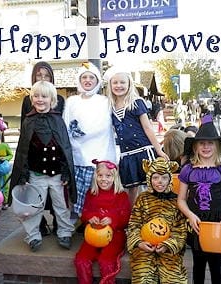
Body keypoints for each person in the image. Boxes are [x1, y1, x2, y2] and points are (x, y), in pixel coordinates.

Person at [9, 80, 76, 252]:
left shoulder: (58, 120)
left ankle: (65, 232)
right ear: (32, 99)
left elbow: (65, 148)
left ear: (52, 99)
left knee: (61, 205)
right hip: (36, 174)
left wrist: (66, 173)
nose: (40, 99)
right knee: (34, 207)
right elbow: (23, 151)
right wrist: (23, 175)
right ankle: (33, 236)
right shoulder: (28, 121)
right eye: (36, 96)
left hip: (57, 176)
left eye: (44, 96)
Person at [177, 114, 221, 284]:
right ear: (195, 146)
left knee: (215, 263)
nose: (206, 146)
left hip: (218, 221)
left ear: (217, 146)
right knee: (198, 263)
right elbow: (181, 199)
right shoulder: (188, 169)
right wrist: (189, 215)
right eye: (202, 143)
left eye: (210, 143)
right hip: (196, 222)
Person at [104, 66, 169, 205]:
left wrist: (158, 150)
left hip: (143, 150)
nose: (119, 86)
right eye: (115, 82)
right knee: (130, 189)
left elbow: (148, 128)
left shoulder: (136, 103)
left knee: (152, 185)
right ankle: (133, 217)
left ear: (129, 84)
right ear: (110, 85)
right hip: (126, 154)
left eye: (122, 82)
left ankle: (158, 213)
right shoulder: (110, 107)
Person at [63, 62, 117, 221]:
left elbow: (105, 125)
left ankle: (96, 221)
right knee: (78, 194)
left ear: (97, 80)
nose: (87, 80)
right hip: (77, 154)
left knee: (97, 193)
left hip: (99, 155)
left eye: (91, 77)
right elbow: (66, 124)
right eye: (84, 77)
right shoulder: (72, 101)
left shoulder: (105, 101)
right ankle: (78, 221)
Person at [127, 157, 188, 283]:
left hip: (168, 248)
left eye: (164, 177)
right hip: (145, 246)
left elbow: (181, 229)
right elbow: (134, 224)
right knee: (142, 276)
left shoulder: (177, 201)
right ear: (149, 179)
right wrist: (139, 243)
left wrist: (168, 245)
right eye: (155, 178)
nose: (160, 182)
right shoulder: (142, 199)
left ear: (170, 179)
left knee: (173, 278)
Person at [21, 61, 64, 236]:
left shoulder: (59, 100)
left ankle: (61, 227)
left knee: (59, 199)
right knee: (37, 197)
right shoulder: (27, 100)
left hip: (54, 159)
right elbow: (25, 128)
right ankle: (38, 227)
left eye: (46, 75)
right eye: (39, 75)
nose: (43, 78)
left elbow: (61, 129)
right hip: (36, 158)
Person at [74, 159, 131, 284]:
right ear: (95, 177)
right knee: (81, 260)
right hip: (93, 235)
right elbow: (84, 213)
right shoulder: (92, 193)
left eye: (108, 176)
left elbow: (126, 219)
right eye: (100, 175)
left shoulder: (121, 195)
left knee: (106, 261)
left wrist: (112, 219)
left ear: (114, 177)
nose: (103, 179)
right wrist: (90, 217)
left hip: (114, 236)